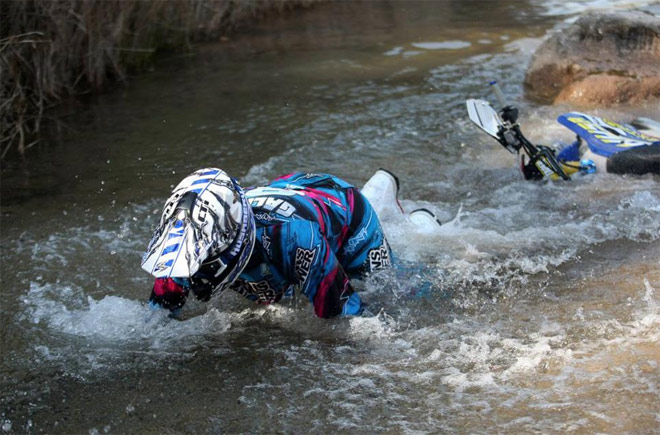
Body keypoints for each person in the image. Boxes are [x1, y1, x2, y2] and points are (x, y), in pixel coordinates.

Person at [141, 168, 399, 318]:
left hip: (345, 209)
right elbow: (157, 319)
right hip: (287, 191)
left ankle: (394, 206)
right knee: (273, 292)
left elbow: (347, 318)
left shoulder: (298, 240)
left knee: (390, 289)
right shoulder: (183, 245)